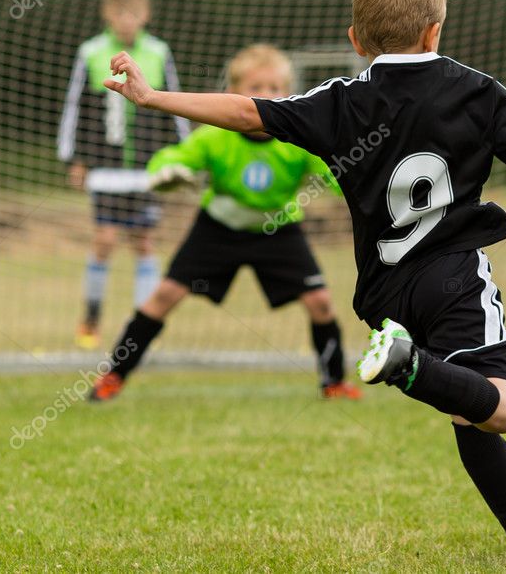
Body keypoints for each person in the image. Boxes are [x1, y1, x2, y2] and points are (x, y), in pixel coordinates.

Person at [100, 0, 506, 563]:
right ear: (435, 29)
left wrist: (154, 97)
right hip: (452, 278)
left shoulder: (341, 101)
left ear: (355, 39)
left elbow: (245, 112)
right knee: (499, 408)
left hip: (383, 293)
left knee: (465, 408)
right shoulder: (478, 92)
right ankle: (408, 365)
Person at [88, 45, 361, 402]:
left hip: (278, 229)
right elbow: (169, 159)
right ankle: (113, 377)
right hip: (218, 228)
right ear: (235, 92)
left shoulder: (298, 138)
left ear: (290, 92)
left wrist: (363, 184)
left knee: (321, 302)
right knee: (164, 296)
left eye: (276, 87)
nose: (267, 95)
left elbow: (338, 174)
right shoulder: (215, 134)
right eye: (256, 86)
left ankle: (334, 383)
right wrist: (167, 173)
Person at [57, 0, 188, 350]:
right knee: (105, 239)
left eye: (134, 12)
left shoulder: (158, 53)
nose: (127, 20)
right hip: (104, 170)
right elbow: (74, 107)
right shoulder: (91, 52)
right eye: (120, 12)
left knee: (144, 242)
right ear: (107, 14)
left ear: (145, 13)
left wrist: (181, 158)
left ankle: (140, 325)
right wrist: (74, 160)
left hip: (145, 171)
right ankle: (91, 318)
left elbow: (175, 106)